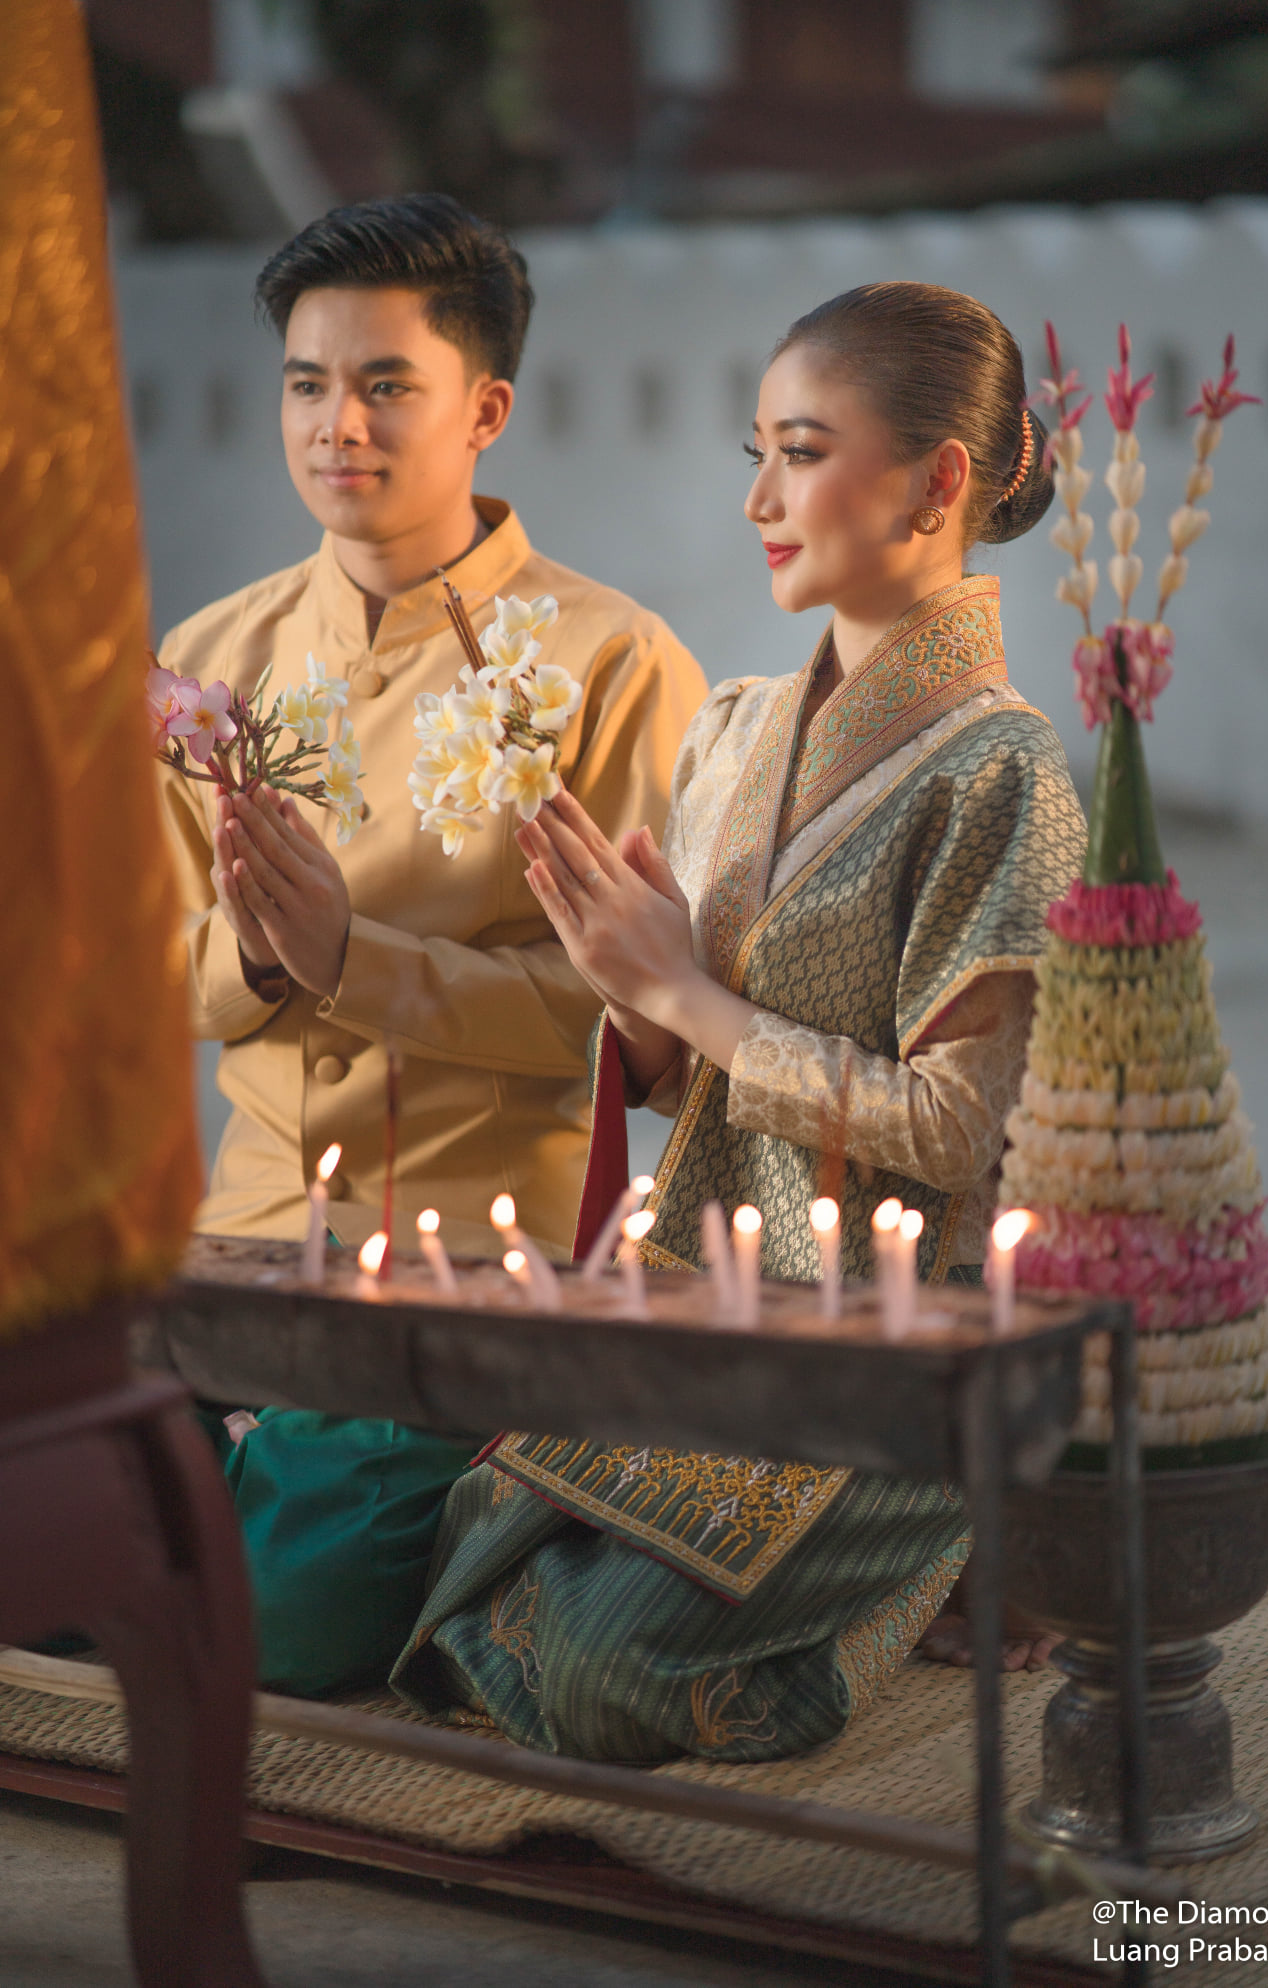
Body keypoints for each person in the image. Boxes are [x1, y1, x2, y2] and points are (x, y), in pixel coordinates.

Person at [392, 282, 1085, 1761]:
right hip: (710, 1296)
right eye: (753, 454)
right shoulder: (733, 728)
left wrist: (683, 994)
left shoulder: (1006, 778)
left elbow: (958, 1132)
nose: (759, 500)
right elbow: (678, 1079)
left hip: (883, 1348)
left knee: (595, 1667)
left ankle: (920, 1565)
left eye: (799, 451)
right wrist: (624, 985)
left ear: (937, 479)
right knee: (449, 1567)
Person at [156, 194, 706, 1696]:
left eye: (387, 383)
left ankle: (474, 1513)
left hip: (485, 1263)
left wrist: (353, 957)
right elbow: (150, 966)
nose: (341, 423)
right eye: (308, 383)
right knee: (48, 1563)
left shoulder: (611, 665)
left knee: (284, 1640)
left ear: (486, 408)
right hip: (242, 1245)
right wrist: (261, 961)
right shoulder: (207, 667)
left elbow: (637, 1035)